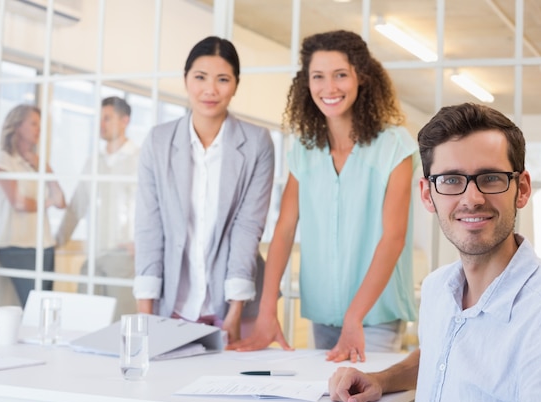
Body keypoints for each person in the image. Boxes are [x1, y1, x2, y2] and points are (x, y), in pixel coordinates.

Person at [328, 102, 541, 402]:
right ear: (427, 194)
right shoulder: (437, 289)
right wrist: (381, 379)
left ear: (522, 189)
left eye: (490, 178)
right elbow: (442, 354)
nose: (472, 199)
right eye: (450, 180)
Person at [229, 30, 419, 362]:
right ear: (307, 83)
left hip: (374, 318)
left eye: (340, 75)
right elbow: (285, 230)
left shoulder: (395, 146)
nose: (329, 88)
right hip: (323, 313)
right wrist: (266, 310)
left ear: (361, 77)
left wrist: (354, 317)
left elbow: (394, 238)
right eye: (318, 76)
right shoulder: (304, 150)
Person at [133, 36, 275, 344]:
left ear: (236, 84)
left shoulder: (256, 143)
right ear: (185, 80)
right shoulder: (158, 141)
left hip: (236, 304)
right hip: (171, 304)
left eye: (223, 79)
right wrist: (146, 313)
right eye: (200, 77)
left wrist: (235, 310)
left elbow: (248, 227)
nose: (210, 90)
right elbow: (149, 227)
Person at [55, 96, 139, 318]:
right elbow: (77, 204)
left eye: (107, 118)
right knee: (85, 317)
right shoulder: (93, 161)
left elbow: (152, 208)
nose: (101, 124)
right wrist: (58, 240)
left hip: (124, 256)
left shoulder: (139, 160)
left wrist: (141, 244)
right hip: (94, 252)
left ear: (124, 121)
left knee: (121, 320)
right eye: (99, 119)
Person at [0, 104, 66, 306]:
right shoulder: (4, 160)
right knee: (35, 308)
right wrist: (46, 203)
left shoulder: (36, 162)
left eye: (40, 125)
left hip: (44, 245)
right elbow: (18, 202)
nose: (39, 130)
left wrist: (43, 166)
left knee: (46, 308)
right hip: (17, 246)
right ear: (17, 126)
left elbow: (60, 201)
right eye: (33, 124)